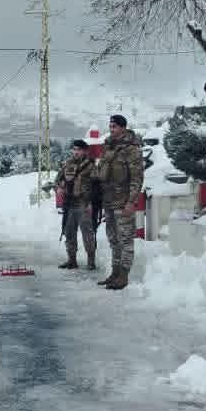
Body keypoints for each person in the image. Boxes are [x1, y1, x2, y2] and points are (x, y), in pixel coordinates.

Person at [94, 114, 144, 290]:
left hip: (123, 202)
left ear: (123, 128)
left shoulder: (132, 149)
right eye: (110, 126)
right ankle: (115, 273)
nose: (111, 129)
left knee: (126, 240)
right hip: (108, 201)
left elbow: (137, 178)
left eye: (114, 126)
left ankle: (123, 276)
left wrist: (131, 201)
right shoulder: (108, 147)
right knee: (113, 240)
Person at [54, 139, 98, 270]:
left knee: (87, 234)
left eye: (79, 149)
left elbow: (97, 187)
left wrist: (91, 203)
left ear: (85, 151)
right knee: (69, 233)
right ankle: (71, 260)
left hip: (84, 204)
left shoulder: (91, 166)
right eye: (74, 149)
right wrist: (59, 188)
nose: (76, 152)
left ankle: (91, 261)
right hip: (69, 205)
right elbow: (57, 180)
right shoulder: (67, 164)